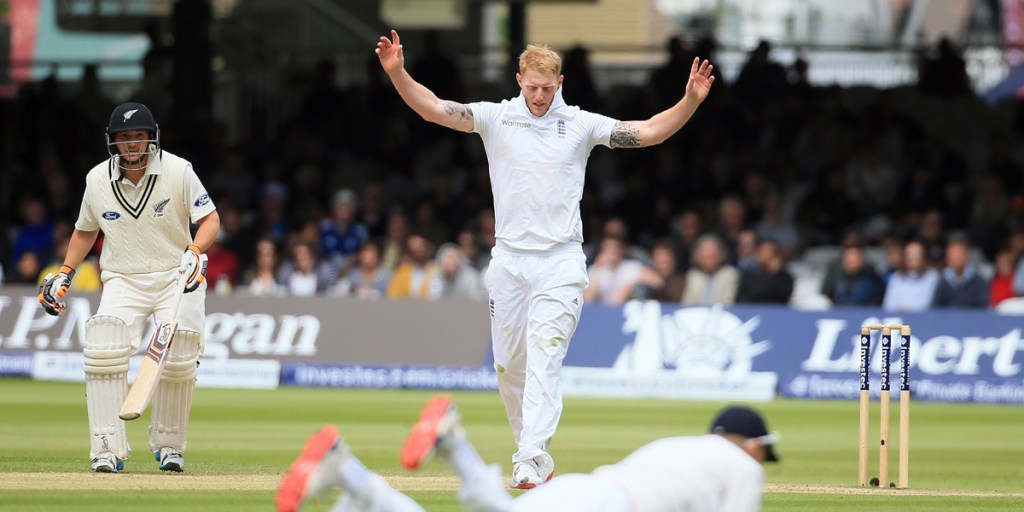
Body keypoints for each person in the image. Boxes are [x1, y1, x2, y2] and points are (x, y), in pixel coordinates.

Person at [375, 30, 715, 488]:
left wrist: (690, 101)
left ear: (560, 82)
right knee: (508, 366)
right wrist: (398, 72)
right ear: (519, 79)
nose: (538, 96)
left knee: (544, 357)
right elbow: (435, 109)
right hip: (510, 262)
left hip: (560, 262)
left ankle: (530, 456)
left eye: (546, 88)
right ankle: (533, 455)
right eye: (531, 87)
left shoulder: (579, 123)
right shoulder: (497, 117)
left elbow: (648, 131)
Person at [37, 102, 220, 473]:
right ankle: (107, 447)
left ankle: (170, 447)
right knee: (104, 348)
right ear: (113, 142)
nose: (133, 145)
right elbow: (86, 229)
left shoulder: (178, 170)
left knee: (181, 355)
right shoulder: (96, 179)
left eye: (139, 136)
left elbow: (210, 219)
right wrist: (66, 273)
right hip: (123, 277)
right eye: (124, 138)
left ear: (151, 138)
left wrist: (195, 251)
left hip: (176, 274)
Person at [277, 396, 779, 512]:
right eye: (760, 453)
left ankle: (361, 473)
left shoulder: (680, 447)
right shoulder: (739, 465)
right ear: (750, 444)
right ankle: (353, 472)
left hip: (582, 490)